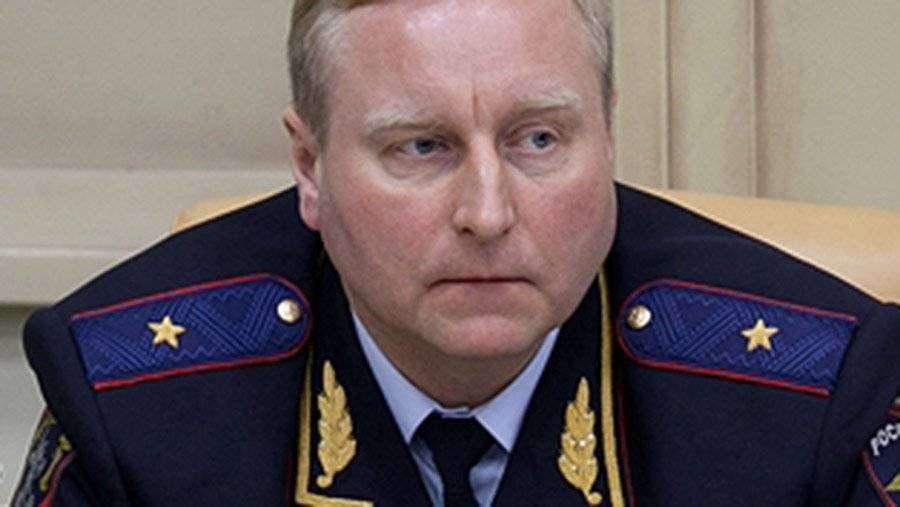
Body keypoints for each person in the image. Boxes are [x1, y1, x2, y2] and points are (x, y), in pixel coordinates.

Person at [12, 0, 899, 505]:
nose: (487, 212)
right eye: (421, 147)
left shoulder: (810, 395)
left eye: (539, 139)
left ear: (608, 136)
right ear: (310, 167)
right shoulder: (131, 401)